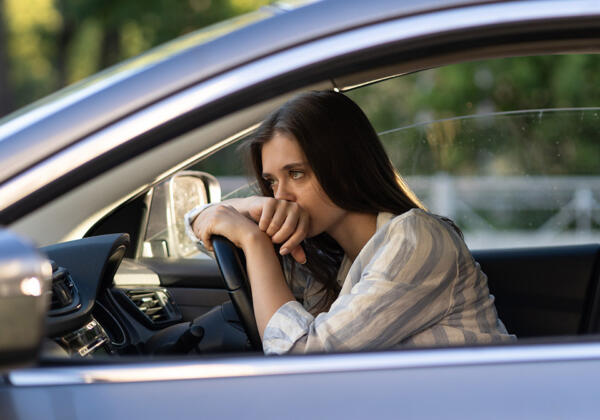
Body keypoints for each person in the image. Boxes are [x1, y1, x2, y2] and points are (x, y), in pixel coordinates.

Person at [186, 90, 515, 355]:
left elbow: (305, 360)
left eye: (296, 174)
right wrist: (252, 205)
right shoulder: (330, 258)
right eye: (272, 181)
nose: (280, 196)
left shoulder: (416, 238)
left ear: (344, 167)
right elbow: (206, 232)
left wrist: (254, 240)